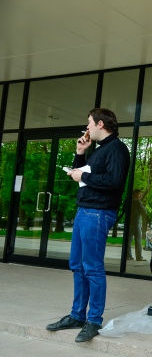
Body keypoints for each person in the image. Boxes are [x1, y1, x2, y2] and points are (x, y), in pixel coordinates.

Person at [46, 108, 130, 343]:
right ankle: (77, 316)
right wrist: (80, 153)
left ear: (100, 124)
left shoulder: (117, 149)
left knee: (92, 267)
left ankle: (94, 320)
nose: (87, 128)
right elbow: (84, 175)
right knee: (78, 266)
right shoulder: (99, 150)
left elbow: (114, 181)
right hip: (85, 211)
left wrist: (83, 176)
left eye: (89, 123)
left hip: (98, 213)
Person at [126, 189, 148, 261]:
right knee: (138, 240)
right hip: (136, 223)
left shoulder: (129, 201)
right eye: (139, 194)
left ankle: (128, 256)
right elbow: (143, 211)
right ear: (135, 194)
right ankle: (139, 257)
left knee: (128, 240)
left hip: (129, 223)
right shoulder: (137, 202)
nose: (140, 195)